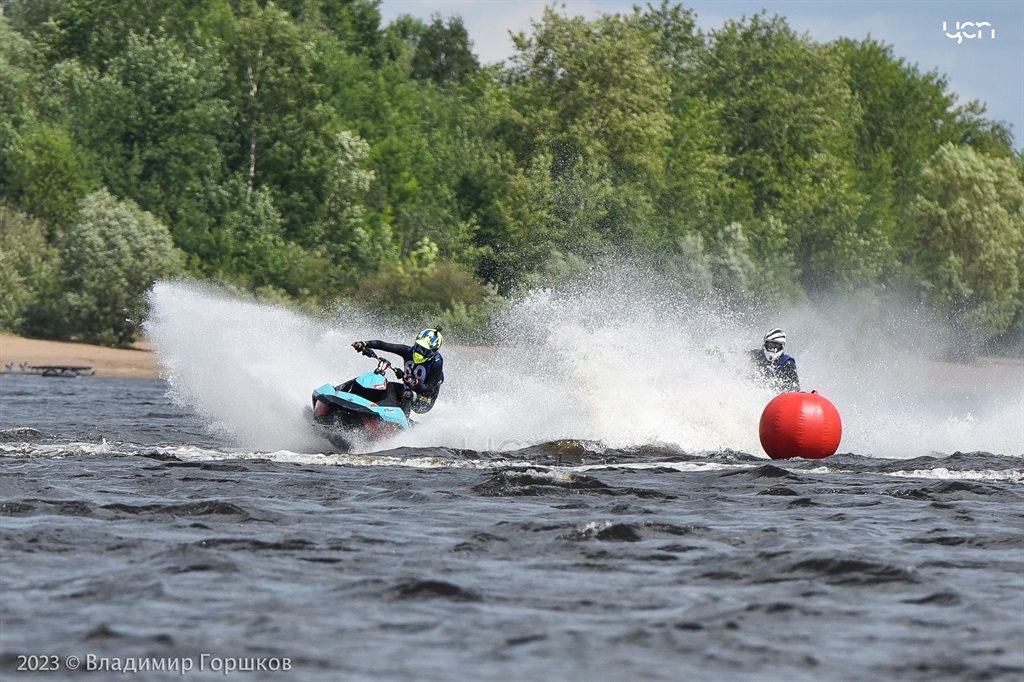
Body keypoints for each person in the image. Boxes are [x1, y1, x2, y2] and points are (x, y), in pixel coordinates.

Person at [352, 328, 445, 415]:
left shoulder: (437, 362)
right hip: (409, 389)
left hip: (424, 400)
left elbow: (430, 389)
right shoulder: (409, 351)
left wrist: (415, 383)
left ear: (433, 352)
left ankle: (404, 424)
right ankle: (370, 409)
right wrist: (364, 344)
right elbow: (383, 345)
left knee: (407, 395)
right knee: (386, 386)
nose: (419, 352)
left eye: (425, 351)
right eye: (418, 347)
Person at [749, 327, 800, 393]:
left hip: (778, 397)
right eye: (771, 344)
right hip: (755, 391)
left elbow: (794, 387)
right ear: (766, 344)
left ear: (781, 346)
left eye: (776, 345)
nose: (773, 348)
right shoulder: (755, 354)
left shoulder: (787, 362)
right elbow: (738, 357)